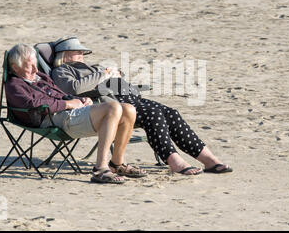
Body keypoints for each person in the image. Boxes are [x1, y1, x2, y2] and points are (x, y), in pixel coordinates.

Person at [50, 37, 233, 175]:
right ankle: (173, 160)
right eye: (78, 52)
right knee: (153, 114)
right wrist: (104, 73)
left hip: (130, 97)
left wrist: (115, 74)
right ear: (64, 56)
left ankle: (208, 159)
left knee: (171, 113)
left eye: (83, 52)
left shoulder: (92, 67)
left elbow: (114, 78)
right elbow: (73, 88)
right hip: (114, 106)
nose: (82, 55)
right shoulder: (62, 71)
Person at [5, 43, 147, 184]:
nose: (36, 70)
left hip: (69, 112)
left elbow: (61, 94)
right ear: (15, 67)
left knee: (129, 109)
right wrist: (67, 104)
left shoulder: (40, 77)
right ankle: (100, 169)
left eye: (36, 64)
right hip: (51, 119)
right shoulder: (15, 85)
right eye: (30, 66)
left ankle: (117, 163)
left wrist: (79, 99)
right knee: (113, 107)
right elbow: (33, 106)